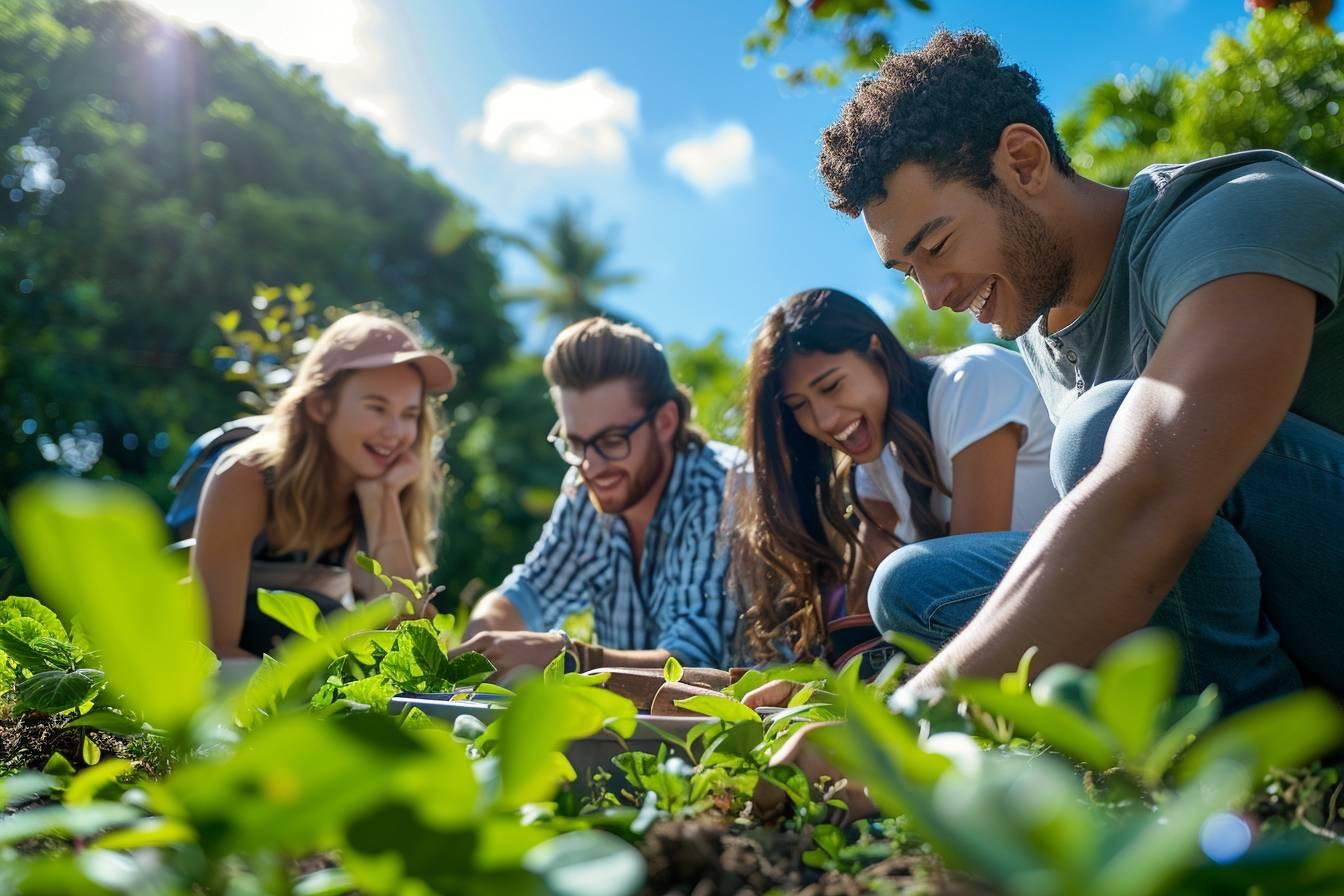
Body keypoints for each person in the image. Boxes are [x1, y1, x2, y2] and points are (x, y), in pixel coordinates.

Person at [789, 27, 1344, 713]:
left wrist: (904, 723)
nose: (934, 296)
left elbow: (1151, 488)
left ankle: (1263, 750)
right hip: (1275, 613)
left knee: (1106, 433)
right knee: (912, 585)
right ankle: (1247, 709)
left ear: (1023, 162)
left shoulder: (1236, 212)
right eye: (908, 272)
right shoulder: (1037, 326)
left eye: (936, 245)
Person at [736, 288, 1056, 670]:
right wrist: (819, 682)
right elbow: (855, 621)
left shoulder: (970, 381)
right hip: (1011, 620)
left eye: (831, 386)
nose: (823, 421)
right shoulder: (878, 462)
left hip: (1070, 589)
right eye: (799, 406)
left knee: (906, 581)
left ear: (876, 352)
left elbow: (960, 593)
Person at [457, 317, 743, 676]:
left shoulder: (724, 488)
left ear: (666, 422)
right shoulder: (582, 489)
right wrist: (483, 634)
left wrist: (571, 657)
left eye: (611, 441)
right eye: (576, 443)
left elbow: (697, 663)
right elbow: (530, 589)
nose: (591, 465)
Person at [192, 312, 455, 658]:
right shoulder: (246, 475)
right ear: (320, 405)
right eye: (377, 408)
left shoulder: (381, 486)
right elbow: (214, 650)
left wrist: (384, 501)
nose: (396, 434)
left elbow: (408, 648)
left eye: (409, 415)